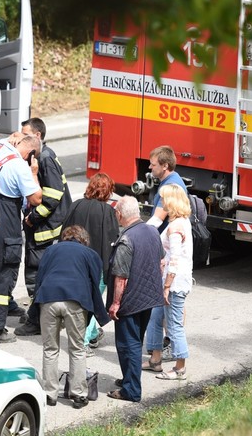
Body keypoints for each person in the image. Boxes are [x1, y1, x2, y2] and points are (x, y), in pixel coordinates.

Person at [34, 225, 110, 409]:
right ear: (84, 239)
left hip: (49, 299)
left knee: (50, 349)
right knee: (77, 349)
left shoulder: (51, 250)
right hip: (75, 300)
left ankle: (49, 394)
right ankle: (78, 394)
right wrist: (98, 311)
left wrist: (34, 307)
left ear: (65, 237)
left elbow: (40, 277)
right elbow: (94, 283)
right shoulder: (89, 254)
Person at [0, 134, 42, 343]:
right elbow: (36, 198)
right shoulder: (20, 166)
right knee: (4, 272)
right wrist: (33, 173)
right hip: (7, 216)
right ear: (31, 154)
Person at [15, 117, 72, 337]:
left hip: (44, 230)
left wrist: (33, 217)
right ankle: (38, 315)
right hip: (45, 228)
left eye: (25, 135)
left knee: (36, 275)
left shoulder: (45, 159)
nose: (20, 138)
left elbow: (53, 195)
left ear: (36, 137)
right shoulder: (41, 156)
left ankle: (37, 320)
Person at [107, 196, 164, 403]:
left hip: (130, 301)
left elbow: (121, 277)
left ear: (120, 215)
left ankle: (131, 390)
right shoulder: (152, 231)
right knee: (135, 340)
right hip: (149, 298)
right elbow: (160, 262)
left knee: (127, 344)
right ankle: (129, 379)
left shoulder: (126, 239)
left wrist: (115, 303)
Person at [60, 172, 121, 347]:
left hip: (75, 264)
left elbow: (64, 231)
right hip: (97, 266)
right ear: (108, 191)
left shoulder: (76, 205)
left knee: (83, 301)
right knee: (92, 302)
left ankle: (93, 333)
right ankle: (83, 343)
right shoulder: (108, 211)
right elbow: (112, 241)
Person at [145, 184, 194, 380]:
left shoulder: (175, 227)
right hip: (172, 280)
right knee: (155, 317)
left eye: (164, 199)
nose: (162, 203)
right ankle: (155, 360)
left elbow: (174, 259)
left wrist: (166, 287)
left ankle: (180, 367)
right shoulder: (183, 221)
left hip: (173, 284)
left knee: (174, 324)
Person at [146, 145, 188, 231]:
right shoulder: (171, 180)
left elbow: (157, 219)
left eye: (153, 165)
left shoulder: (171, 186)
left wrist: (140, 233)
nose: (149, 167)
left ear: (165, 166)